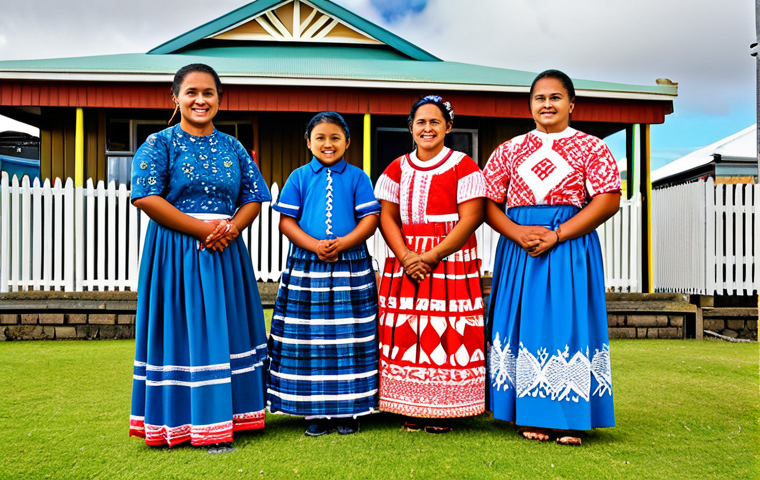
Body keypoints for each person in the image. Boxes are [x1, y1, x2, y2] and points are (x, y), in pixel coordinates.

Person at [129, 63, 270, 451]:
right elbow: (145, 196)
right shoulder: (158, 143)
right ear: (175, 97)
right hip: (176, 252)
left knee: (224, 332)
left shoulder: (233, 146)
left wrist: (233, 228)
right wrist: (202, 230)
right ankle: (189, 423)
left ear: (219, 100)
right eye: (191, 92)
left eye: (208, 93)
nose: (200, 100)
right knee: (186, 331)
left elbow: (253, 196)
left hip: (225, 251)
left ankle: (234, 418)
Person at [482, 69, 620, 446]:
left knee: (567, 323)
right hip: (519, 248)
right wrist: (518, 233)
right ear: (530, 105)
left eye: (555, 97)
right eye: (540, 98)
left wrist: (558, 234)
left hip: (569, 247)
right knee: (521, 324)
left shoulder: (592, 147)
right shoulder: (508, 150)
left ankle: (568, 418)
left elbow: (608, 199)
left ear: (571, 104)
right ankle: (525, 413)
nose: (547, 104)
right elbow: (487, 204)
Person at [374, 95, 487, 426]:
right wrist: (407, 256)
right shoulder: (396, 167)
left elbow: (472, 217)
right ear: (411, 127)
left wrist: (433, 254)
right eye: (420, 122)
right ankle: (410, 405)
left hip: (449, 258)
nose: (427, 128)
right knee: (410, 329)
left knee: (446, 327)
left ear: (448, 127)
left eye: (435, 122)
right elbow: (386, 217)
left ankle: (445, 408)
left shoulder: (463, 165)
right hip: (405, 258)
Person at [267, 111, 381, 436]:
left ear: (347, 142)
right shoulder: (299, 177)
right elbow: (286, 221)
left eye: (335, 138)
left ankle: (349, 410)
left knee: (351, 338)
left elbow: (370, 220)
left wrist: (343, 243)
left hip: (351, 267)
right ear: (308, 142)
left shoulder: (358, 178)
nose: (327, 144)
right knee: (310, 340)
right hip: (307, 266)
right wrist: (314, 245)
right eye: (320, 138)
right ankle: (312, 411)